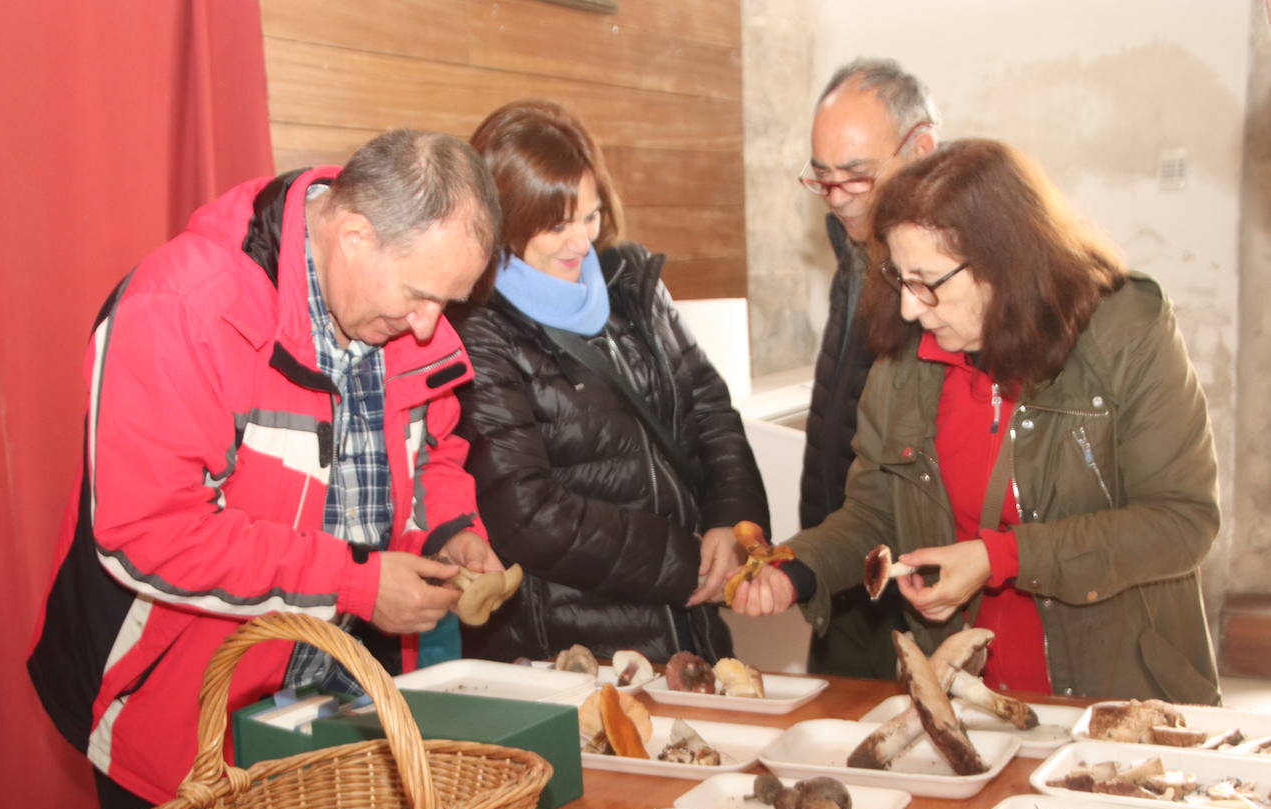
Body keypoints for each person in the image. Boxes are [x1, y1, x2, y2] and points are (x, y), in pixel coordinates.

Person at [27, 130, 506, 809]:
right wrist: (354, 583)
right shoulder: (183, 308)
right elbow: (151, 533)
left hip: (337, 713)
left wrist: (449, 531)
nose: (432, 327)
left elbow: (433, 448)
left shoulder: (397, 312)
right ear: (353, 234)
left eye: (449, 303)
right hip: (176, 721)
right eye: (422, 295)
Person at [731, 138, 1221, 705]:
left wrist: (1000, 558)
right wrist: (800, 569)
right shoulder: (906, 362)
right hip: (968, 701)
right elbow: (874, 513)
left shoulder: (1125, 333)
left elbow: (1180, 523)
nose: (911, 307)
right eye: (900, 279)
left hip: (1115, 695)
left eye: (928, 281)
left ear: (1005, 266)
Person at [449, 99, 770, 664]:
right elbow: (526, 512)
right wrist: (685, 561)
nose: (580, 242)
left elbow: (711, 412)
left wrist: (732, 526)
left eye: (589, 216)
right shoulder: (479, 326)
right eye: (556, 225)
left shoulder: (631, 284)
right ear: (504, 219)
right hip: (571, 648)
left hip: (688, 628)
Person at [797, 58, 939, 679]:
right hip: (848, 561)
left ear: (921, 148)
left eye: (857, 176)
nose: (838, 198)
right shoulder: (854, 250)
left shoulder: (955, 272)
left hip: (919, 582)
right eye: (822, 177)